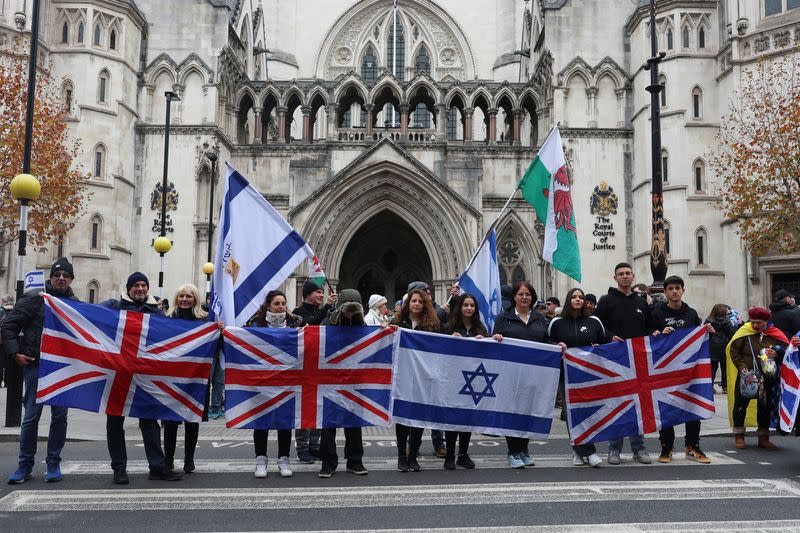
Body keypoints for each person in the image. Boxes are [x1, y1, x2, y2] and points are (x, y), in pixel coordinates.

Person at [101, 272, 181, 484]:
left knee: (150, 422)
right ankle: (119, 469)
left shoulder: (156, 312)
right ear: (128, 288)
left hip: (144, 376)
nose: (140, 289)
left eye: (144, 285)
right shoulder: (113, 306)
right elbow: (88, 315)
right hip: (118, 375)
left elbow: (173, 334)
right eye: (136, 285)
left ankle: (157, 467)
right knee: (115, 423)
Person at [3, 258, 76, 484]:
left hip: (62, 369)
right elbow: (8, 326)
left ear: (71, 279)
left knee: (60, 417)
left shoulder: (75, 304)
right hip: (36, 366)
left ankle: (53, 462)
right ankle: (24, 465)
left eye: (66, 275)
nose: (61, 278)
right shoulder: (35, 299)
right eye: (57, 274)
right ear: (51, 277)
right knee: (31, 417)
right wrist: (16, 353)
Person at [595, 262, 657, 465]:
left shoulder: (641, 302)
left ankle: (639, 449)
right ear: (615, 278)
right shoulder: (605, 301)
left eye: (628, 273)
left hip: (638, 363)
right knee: (618, 406)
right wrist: (610, 337)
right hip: (615, 362)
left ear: (633, 276)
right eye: (621, 274)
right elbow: (598, 327)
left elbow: (649, 328)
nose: (625, 276)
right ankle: (614, 450)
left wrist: (655, 334)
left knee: (638, 406)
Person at [650, 275, 711, 464]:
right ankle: (666, 447)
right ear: (665, 292)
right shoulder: (656, 313)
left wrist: (707, 332)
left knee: (692, 405)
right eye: (671, 288)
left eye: (678, 288)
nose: (674, 291)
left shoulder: (691, 313)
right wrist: (659, 334)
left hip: (688, 371)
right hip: (664, 369)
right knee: (665, 406)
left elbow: (697, 337)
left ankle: (692, 446)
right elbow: (649, 338)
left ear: (683, 290)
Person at [548, 287, 608, 468]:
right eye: (574, 297)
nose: (578, 300)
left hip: (589, 375)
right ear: (568, 300)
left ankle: (583, 450)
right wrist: (556, 344)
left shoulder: (594, 321)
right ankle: (582, 451)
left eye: (580, 297)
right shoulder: (557, 322)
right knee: (571, 413)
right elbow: (547, 342)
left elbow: (603, 343)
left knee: (588, 412)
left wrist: (599, 346)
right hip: (566, 375)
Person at [492, 281, 549, 469]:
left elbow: (547, 341)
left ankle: (524, 450)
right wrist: (496, 338)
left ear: (532, 297)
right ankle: (513, 452)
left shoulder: (540, 319)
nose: (524, 297)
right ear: (514, 297)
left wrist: (559, 344)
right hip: (511, 376)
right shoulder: (504, 318)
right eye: (520, 294)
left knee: (528, 413)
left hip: (534, 375)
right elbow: (494, 341)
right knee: (513, 413)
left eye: (528, 294)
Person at [440, 293, 498, 470]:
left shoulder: (480, 329)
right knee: (453, 417)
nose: (469, 308)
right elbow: (440, 349)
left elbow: (489, 354)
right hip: (453, 380)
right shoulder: (449, 327)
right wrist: (450, 341)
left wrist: (488, 341)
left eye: (472, 305)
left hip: (474, 381)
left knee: (467, 417)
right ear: (460, 307)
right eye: (466, 305)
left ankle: (463, 455)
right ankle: (449, 455)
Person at [248, 290, 302, 478]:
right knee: (261, 421)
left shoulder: (295, 323)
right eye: (277, 303)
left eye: (283, 303)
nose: (280, 307)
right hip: (263, 380)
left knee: (284, 421)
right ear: (268, 305)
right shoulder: (256, 324)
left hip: (287, 379)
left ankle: (284, 459)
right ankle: (261, 460)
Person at [318, 289, 369, 478]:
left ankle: (355, 461)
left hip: (353, 380)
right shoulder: (327, 321)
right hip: (330, 379)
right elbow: (317, 339)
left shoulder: (361, 325)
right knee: (328, 423)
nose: (350, 313)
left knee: (353, 422)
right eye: (348, 309)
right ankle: (328, 462)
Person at [391, 288, 441, 472]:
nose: (417, 304)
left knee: (418, 419)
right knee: (402, 418)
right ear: (408, 303)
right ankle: (401, 456)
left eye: (420, 301)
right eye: (414, 301)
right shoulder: (397, 322)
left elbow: (440, 347)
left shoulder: (432, 325)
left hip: (422, 377)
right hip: (402, 376)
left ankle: (413, 455)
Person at [162, 284, 208, 474]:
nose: (184, 299)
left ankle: (189, 459)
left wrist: (219, 330)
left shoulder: (204, 322)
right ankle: (168, 459)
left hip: (196, 377)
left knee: (192, 419)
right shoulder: (167, 319)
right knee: (170, 421)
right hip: (172, 377)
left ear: (195, 299)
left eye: (189, 296)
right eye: (181, 296)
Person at [728, 306, 788, 450]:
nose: (755, 325)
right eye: (753, 322)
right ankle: (739, 436)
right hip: (746, 375)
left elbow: (787, 352)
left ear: (766, 321)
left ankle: (763, 438)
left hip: (767, 376)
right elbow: (734, 351)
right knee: (741, 405)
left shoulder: (775, 334)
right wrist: (741, 366)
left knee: (764, 407)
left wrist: (777, 353)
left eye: (759, 323)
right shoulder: (744, 332)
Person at [291, 281, 337, 463]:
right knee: (303, 407)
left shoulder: (326, 311)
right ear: (308, 294)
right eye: (318, 292)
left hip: (321, 365)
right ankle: (302, 447)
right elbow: (310, 325)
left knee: (318, 406)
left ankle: (314, 445)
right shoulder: (297, 313)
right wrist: (326, 307)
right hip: (303, 366)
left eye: (322, 292)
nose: (321, 295)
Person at [406, 280, 449, 457]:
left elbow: (444, 336)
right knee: (411, 411)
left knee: (434, 406)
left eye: (423, 298)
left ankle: (439, 442)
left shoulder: (434, 319)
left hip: (430, 370)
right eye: (415, 298)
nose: (418, 303)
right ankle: (410, 446)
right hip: (410, 372)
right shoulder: (400, 320)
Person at [706, 304, 735, 393]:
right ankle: (725, 387)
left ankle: (710, 386)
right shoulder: (727, 322)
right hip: (724, 347)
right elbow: (732, 334)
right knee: (725, 368)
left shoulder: (708, 321)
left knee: (712, 368)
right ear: (723, 311)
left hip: (712, 347)